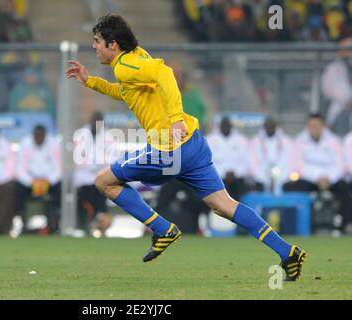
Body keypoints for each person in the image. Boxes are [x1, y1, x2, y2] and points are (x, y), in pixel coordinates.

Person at [66, 13, 306, 280]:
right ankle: (288, 253)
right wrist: (90, 82)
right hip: (193, 144)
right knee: (224, 205)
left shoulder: (125, 66)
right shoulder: (135, 59)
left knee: (103, 181)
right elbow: (125, 92)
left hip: (168, 149)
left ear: (113, 44)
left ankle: (162, 229)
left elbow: (165, 73)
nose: (94, 46)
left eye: (97, 41)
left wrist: (177, 118)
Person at [284, 113, 350, 232]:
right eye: (311, 126)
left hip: (331, 179)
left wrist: (327, 178)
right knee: (295, 187)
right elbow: (297, 164)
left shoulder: (334, 141)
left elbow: (340, 165)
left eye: (317, 125)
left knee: (344, 188)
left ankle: (343, 225)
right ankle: (302, 225)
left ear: (323, 126)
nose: (314, 129)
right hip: (309, 179)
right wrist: (318, 178)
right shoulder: (299, 142)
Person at [73, 111, 116, 235]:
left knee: (101, 190)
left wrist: (97, 164)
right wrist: (94, 164)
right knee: (87, 192)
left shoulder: (109, 137)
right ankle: (86, 223)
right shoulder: (81, 135)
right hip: (84, 175)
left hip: (102, 174)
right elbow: (78, 158)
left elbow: (112, 158)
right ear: (90, 121)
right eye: (94, 121)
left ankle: (100, 222)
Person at [15, 125, 61, 233]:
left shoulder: (54, 144)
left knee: (59, 189)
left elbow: (58, 169)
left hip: (49, 182)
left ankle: (54, 225)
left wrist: (48, 181)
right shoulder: (25, 144)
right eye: (37, 135)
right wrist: (32, 182)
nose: (39, 137)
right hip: (30, 182)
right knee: (17, 189)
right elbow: (20, 169)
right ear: (33, 135)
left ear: (45, 135)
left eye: (42, 135)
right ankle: (23, 224)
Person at [206, 116, 251, 201]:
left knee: (241, 192)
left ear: (231, 126)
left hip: (237, 177)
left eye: (228, 126)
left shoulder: (242, 140)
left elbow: (246, 160)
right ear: (219, 126)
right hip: (218, 177)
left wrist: (235, 172)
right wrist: (223, 172)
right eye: (223, 126)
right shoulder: (210, 140)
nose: (225, 128)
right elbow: (208, 161)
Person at [249, 116, 297, 193]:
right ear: (264, 127)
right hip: (261, 177)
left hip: (283, 177)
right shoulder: (255, 142)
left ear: (276, 126)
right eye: (267, 126)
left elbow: (293, 160)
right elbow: (251, 163)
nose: (269, 128)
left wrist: (281, 177)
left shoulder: (287, 141)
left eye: (272, 126)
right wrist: (264, 177)